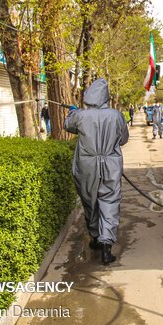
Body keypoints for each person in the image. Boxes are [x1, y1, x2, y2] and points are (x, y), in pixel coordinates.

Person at [64, 78, 129, 265]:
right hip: (111, 164)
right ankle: (107, 246)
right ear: (106, 96)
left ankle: (95, 238)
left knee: (89, 200)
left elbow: (68, 126)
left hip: (87, 164)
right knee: (110, 201)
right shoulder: (116, 116)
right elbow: (123, 139)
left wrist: (72, 113)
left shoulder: (81, 116)